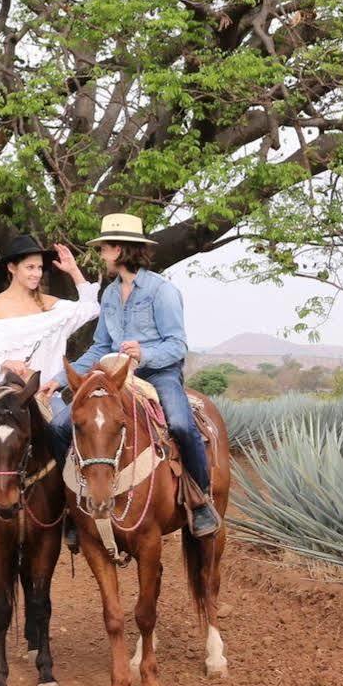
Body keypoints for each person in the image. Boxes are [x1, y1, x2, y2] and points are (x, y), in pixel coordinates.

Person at [0, 235, 101, 544]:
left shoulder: (54, 307)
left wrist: (74, 271)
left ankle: (71, 516)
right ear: (12, 268)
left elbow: (91, 308)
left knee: (75, 445)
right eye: (29, 267)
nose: (36, 274)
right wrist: (6, 364)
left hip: (43, 395)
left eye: (39, 268)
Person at [67, 213, 221, 537]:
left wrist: (145, 353)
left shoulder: (162, 291)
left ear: (121, 250)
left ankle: (200, 499)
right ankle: (71, 507)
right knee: (66, 425)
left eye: (105, 248)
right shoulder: (109, 294)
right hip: (117, 377)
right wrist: (60, 377)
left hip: (159, 374)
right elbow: (99, 347)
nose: (101, 255)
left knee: (180, 423)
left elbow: (177, 345)